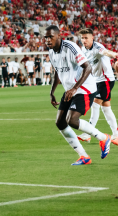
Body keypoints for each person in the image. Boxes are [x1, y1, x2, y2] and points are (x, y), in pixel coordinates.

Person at [44, 26, 111, 166]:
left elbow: (88, 67)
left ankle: (103, 137)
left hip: (84, 88)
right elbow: (57, 71)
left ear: (58, 36)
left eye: (51, 37)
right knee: (60, 122)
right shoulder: (51, 51)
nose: (48, 40)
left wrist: (75, 88)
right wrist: (52, 92)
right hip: (70, 89)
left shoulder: (70, 47)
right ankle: (84, 157)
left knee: (72, 120)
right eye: (46, 37)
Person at [77, 28, 118, 142]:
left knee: (95, 104)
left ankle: (88, 134)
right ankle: (116, 134)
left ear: (92, 38)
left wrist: (115, 54)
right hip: (97, 80)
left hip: (105, 80)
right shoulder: (83, 49)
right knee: (106, 108)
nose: (84, 40)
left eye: (86, 38)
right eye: (82, 38)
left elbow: (106, 52)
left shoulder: (97, 47)